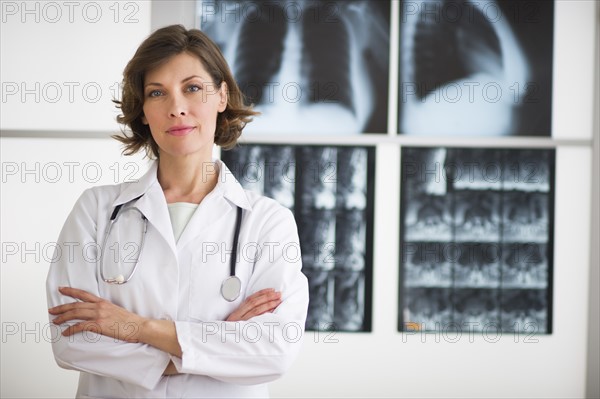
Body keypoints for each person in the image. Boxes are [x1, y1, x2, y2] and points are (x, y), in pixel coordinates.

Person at [46, 24, 309, 398]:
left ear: (221, 96)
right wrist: (212, 348)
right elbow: (72, 341)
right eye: (157, 93)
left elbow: (272, 351)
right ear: (143, 112)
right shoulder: (97, 210)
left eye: (193, 88)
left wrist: (136, 328)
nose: (177, 108)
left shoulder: (268, 222)